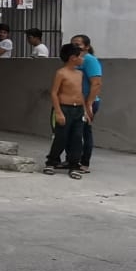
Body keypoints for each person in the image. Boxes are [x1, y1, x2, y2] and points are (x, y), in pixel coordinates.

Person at [45, 43, 88, 178]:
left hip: (78, 109)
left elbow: (80, 93)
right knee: (61, 137)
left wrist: (85, 110)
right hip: (65, 108)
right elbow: (54, 93)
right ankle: (51, 161)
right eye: (80, 56)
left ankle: (74, 164)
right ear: (72, 58)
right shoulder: (61, 73)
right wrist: (58, 112)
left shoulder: (80, 74)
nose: (83, 59)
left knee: (77, 138)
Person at [71, 33, 103, 174]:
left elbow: (96, 83)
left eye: (78, 44)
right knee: (73, 133)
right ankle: (72, 160)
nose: (75, 46)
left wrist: (89, 104)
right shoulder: (75, 60)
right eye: (72, 44)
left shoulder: (90, 60)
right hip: (74, 102)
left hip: (87, 103)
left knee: (84, 133)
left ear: (87, 46)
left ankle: (84, 163)